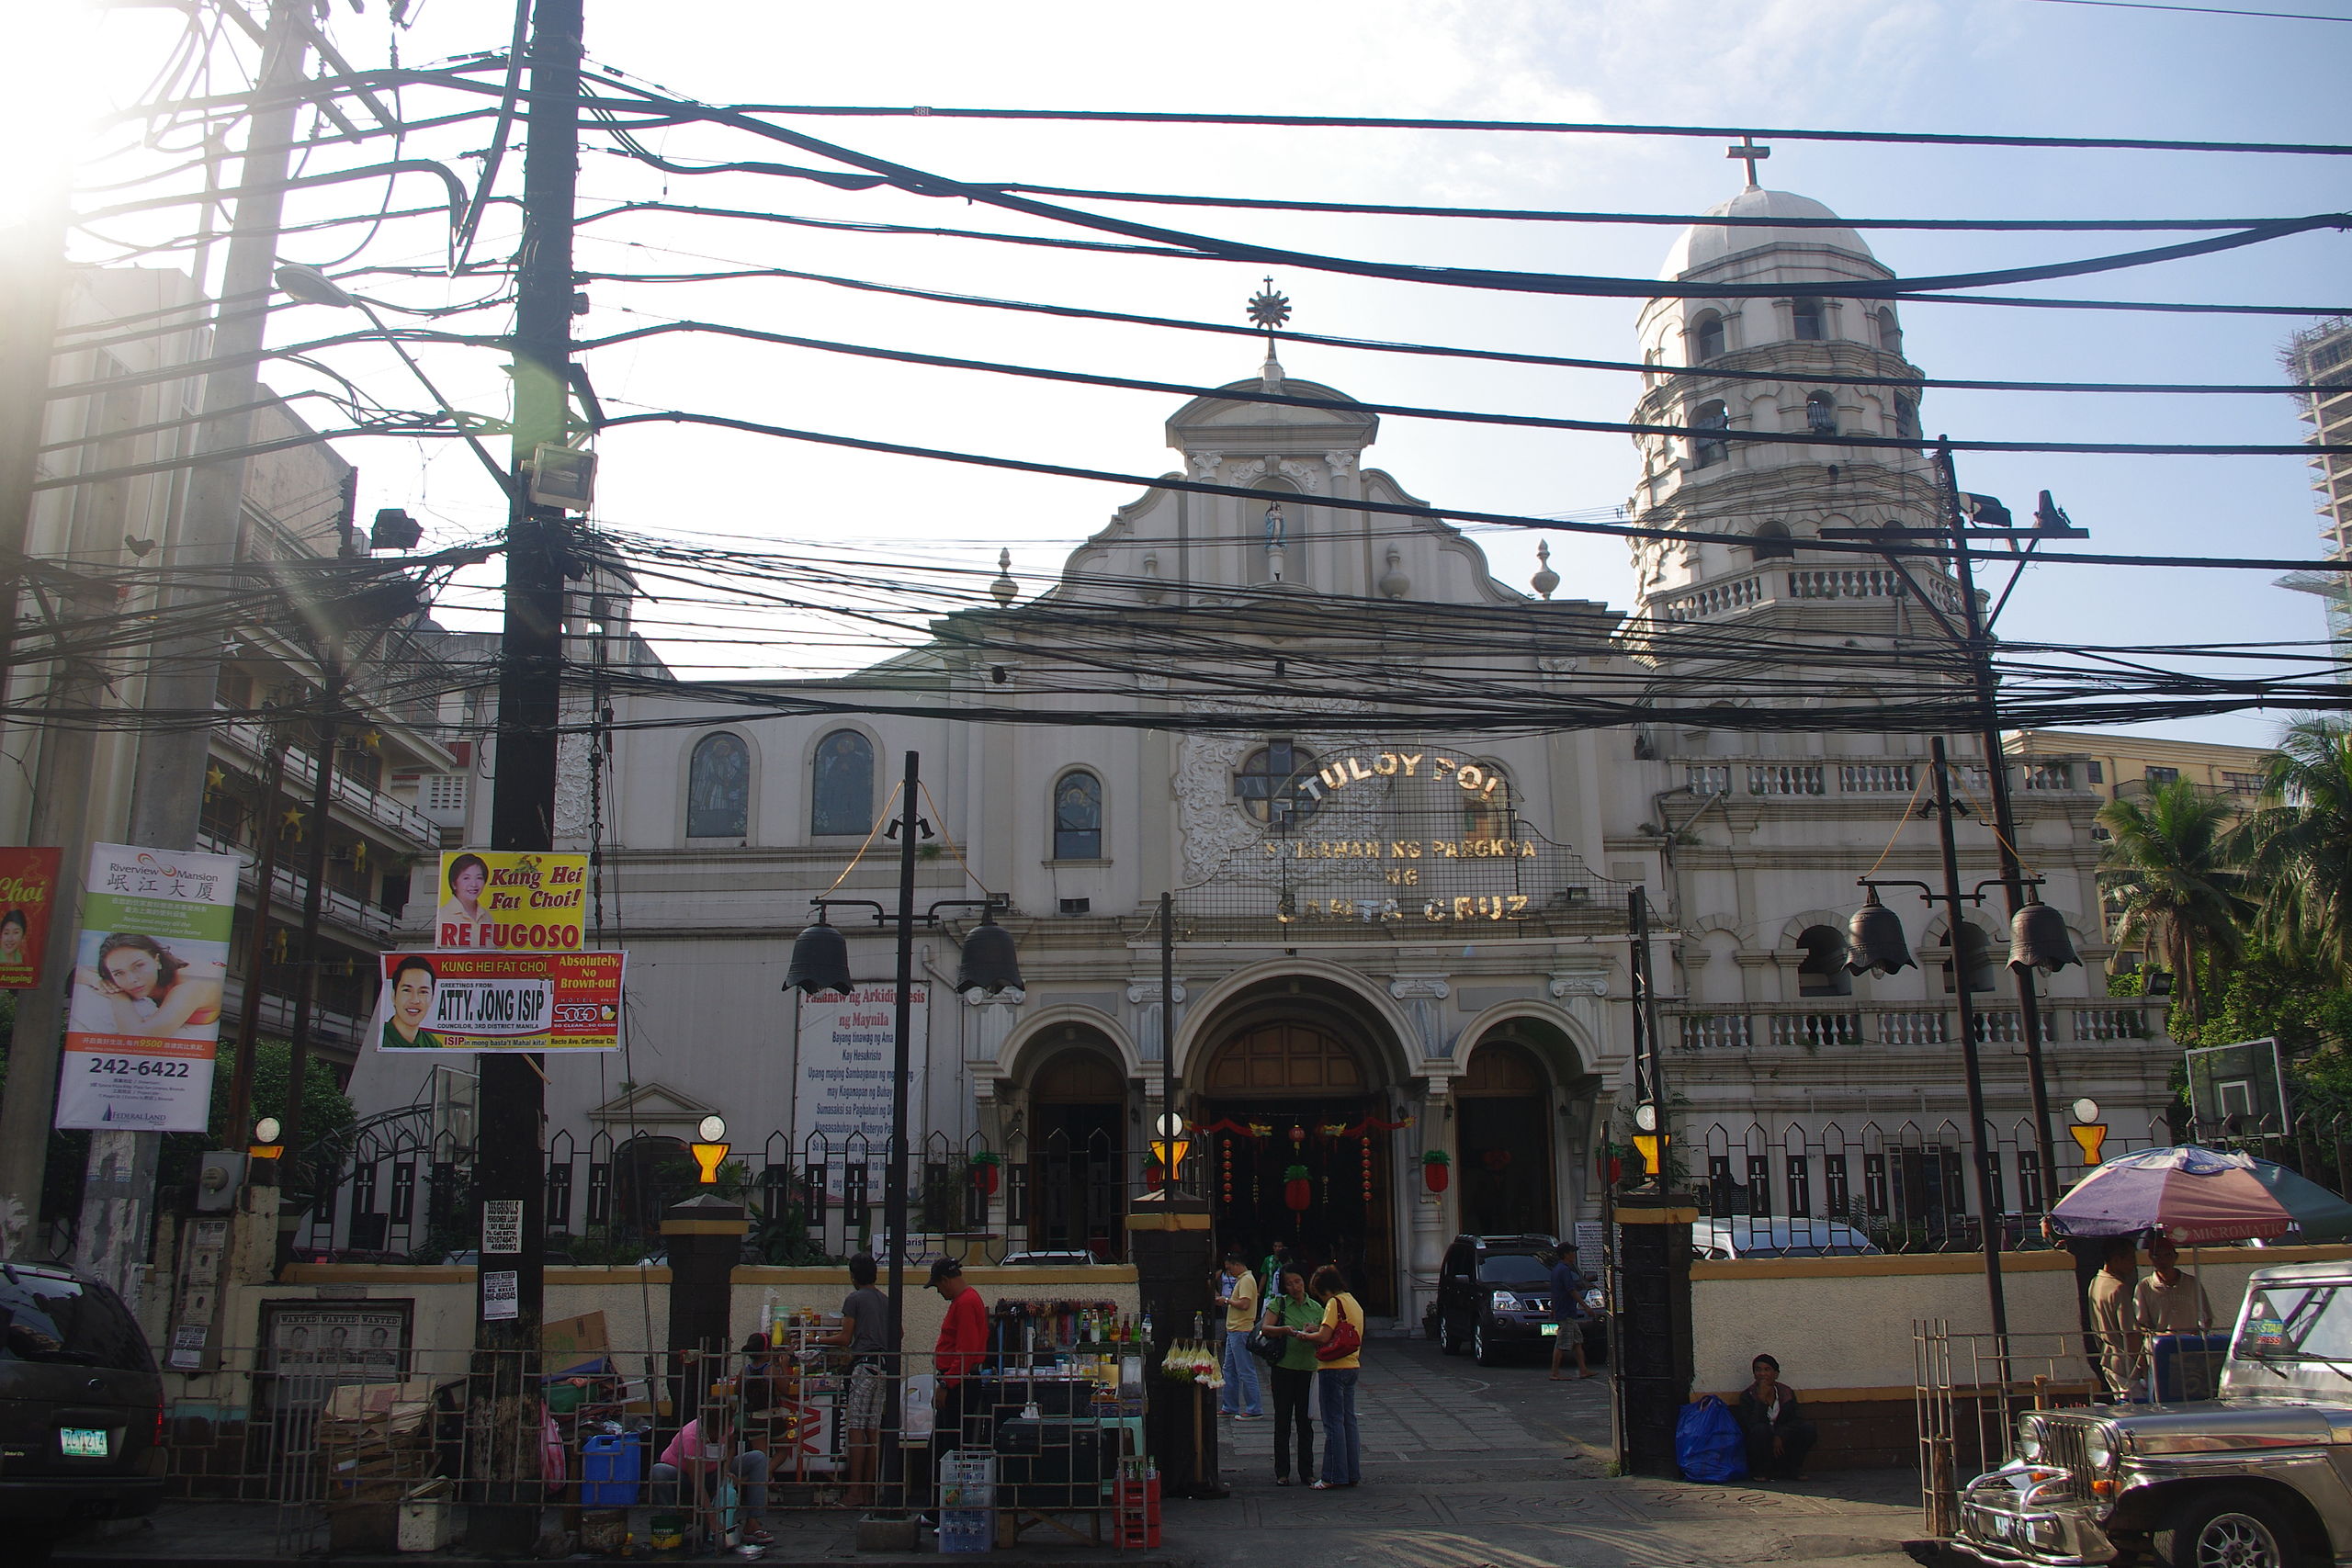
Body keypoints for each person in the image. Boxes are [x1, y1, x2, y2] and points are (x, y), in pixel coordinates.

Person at [820, 1252, 888, 1506]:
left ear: (852, 1276)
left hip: (864, 1366)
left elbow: (844, 1338)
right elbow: (899, 1333)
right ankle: (870, 1492)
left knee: (856, 1429)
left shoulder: (854, 1299)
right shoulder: (885, 1300)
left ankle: (854, 1492)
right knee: (873, 1430)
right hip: (884, 1368)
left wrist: (814, 1340)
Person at [653, 1405, 773, 1547]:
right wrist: (712, 1519)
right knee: (658, 1472)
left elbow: (730, 1448)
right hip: (683, 1474)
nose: (720, 1436)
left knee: (758, 1458)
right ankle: (671, 1524)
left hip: (714, 1469)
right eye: (716, 1434)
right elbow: (696, 1479)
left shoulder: (726, 1425)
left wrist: (725, 1471)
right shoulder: (691, 1437)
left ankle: (753, 1522)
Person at [72, 932, 223, 1038]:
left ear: (157, 960)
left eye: (138, 966)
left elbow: (139, 1037)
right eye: (118, 973)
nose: (131, 979)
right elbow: (79, 971)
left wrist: (119, 997)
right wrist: (96, 981)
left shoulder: (192, 983)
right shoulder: (127, 974)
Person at [1295, 1264, 1363, 1490]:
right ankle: (1352, 1472)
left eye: (1321, 1294)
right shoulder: (1353, 1302)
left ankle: (1333, 1475)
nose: (1322, 1299)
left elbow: (1325, 1337)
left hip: (1332, 1367)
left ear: (1326, 1289)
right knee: (1348, 1421)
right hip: (1352, 1364)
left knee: (1333, 1423)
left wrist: (1305, 1335)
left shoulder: (1335, 1303)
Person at [1259, 1266, 1321, 1485]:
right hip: (1284, 1368)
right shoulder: (1279, 1304)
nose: (1295, 1287)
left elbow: (1325, 1336)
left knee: (1306, 1423)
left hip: (1307, 1369)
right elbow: (1266, 1328)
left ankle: (1307, 1471)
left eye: (1298, 1281)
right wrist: (1285, 1330)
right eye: (1290, 1283)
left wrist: (1313, 1332)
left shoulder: (1316, 1307)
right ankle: (1282, 1472)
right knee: (1282, 1421)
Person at [929, 1256, 989, 1460]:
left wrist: (947, 1383)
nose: (939, 1292)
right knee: (943, 1444)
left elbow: (965, 1350)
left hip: (958, 1384)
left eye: (938, 1287)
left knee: (949, 1447)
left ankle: (946, 1489)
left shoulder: (965, 1303)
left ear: (945, 1280)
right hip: (958, 1380)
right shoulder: (964, 1301)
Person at [1734, 1354, 1815, 1482]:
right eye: (1758, 1370)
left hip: (1783, 1443)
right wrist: (1761, 1400)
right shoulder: (1748, 1396)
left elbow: (1796, 1419)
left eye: (1767, 1370)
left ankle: (1794, 1468)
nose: (1762, 1374)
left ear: (1775, 1374)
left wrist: (1779, 1435)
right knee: (1760, 1430)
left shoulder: (1786, 1393)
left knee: (1807, 1429)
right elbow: (1751, 1424)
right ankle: (1762, 1470)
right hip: (1761, 1445)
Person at [2087, 1236, 2139, 1398]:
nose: (2134, 1264)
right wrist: (2142, 1365)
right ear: (2116, 1260)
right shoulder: (2118, 1288)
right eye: (2131, 1258)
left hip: (2107, 1357)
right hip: (2124, 1360)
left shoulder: (2095, 1283)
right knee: (2135, 1407)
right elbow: (2129, 1333)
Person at [2134, 1236, 2215, 1337]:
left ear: (2176, 1256)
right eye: (2157, 1256)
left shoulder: (2192, 1283)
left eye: (2167, 1255)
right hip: (2161, 1344)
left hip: (2190, 1344)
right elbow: (2139, 1324)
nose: (2163, 1260)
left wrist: (2199, 1336)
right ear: (2150, 1258)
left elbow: (2207, 1318)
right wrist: (2157, 1335)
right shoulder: (2145, 1286)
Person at [1217, 1250, 1264, 1419]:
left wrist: (1227, 1300)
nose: (1229, 1272)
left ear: (1237, 1265)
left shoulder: (1246, 1280)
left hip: (1241, 1330)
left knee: (1245, 1370)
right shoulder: (1242, 1280)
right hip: (1233, 1330)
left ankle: (1254, 1408)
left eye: (1230, 1269)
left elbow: (1244, 1304)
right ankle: (1229, 1405)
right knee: (1229, 1369)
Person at [1548, 1246, 1595, 1381]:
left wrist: (1553, 1309)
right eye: (1572, 1252)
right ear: (1566, 1254)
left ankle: (1583, 1370)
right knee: (1562, 1343)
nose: (1574, 1255)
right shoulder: (1564, 1270)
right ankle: (1555, 1373)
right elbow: (1571, 1290)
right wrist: (1586, 1307)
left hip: (1565, 1311)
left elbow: (1554, 1291)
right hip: (1566, 1312)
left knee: (1577, 1341)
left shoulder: (1557, 1269)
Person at [379, 954, 446, 1049]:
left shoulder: (433, 1044)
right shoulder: (380, 1035)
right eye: (407, 990)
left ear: (432, 999)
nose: (415, 1000)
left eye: (423, 992)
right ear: (393, 996)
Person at [436, 853, 490, 947]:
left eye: (479, 878)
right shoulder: (443, 915)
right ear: (454, 884)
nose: (474, 884)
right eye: (466, 878)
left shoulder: (488, 917)